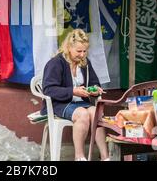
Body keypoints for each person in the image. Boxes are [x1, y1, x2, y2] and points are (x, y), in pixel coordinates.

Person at [41, 29, 109, 161]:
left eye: (85, 51)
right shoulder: (56, 63)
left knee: (97, 113)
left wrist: (94, 90)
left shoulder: (85, 63)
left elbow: (94, 82)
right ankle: (79, 157)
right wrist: (72, 91)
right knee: (82, 114)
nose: (82, 54)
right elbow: (48, 89)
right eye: (79, 51)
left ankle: (105, 157)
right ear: (69, 47)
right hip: (60, 103)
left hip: (80, 103)